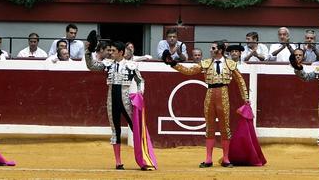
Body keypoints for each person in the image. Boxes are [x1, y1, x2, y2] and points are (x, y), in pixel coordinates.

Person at [162, 40, 249, 168]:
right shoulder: (206, 63)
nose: (210, 50)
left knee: (225, 128)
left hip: (223, 94)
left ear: (220, 50)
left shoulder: (230, 64)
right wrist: (173, 64)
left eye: (213, 48)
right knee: (210, 127)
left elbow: (240, 80)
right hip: (210, 94)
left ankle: (226, 158)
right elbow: (189, 71)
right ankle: (208, 159)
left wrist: (245, 98)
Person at [85, 36, 157, 170]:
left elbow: (140, 80)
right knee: (115, 130)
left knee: (136, 129)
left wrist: (140, 93)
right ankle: (118, 162)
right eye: (109, 50)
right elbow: (91, 66)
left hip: (126, 101)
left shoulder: (131, 65)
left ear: (121, 52)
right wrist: (88, 51)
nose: (110, 52)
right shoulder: (107, 63)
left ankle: (144, 160)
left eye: (113, 50)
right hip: (112, 100)